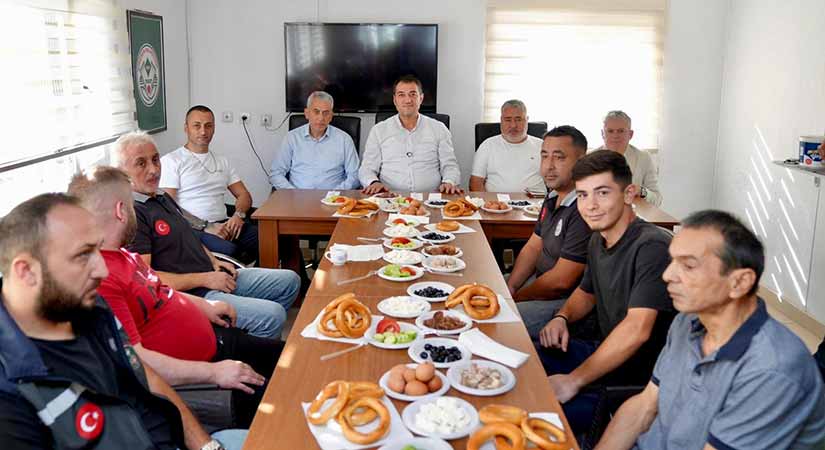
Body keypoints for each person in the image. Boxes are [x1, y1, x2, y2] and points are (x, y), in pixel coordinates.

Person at [0, 193, 245, 450]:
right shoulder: (10, 398)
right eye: (83, 255)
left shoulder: (91, 307)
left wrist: (206, 445)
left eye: (98, 250)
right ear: (26, 271)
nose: (102, 270)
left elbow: (143, 373)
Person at [68, 166, 283, 428]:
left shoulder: (126, 255)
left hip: (219, 340)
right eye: (132, 204)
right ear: (121, 211)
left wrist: (205, 305)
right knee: (287, 401)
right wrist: (214, 372)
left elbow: (161, 291)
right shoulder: (101, 280)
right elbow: (136, 361)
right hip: (203, 376)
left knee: (295, 362)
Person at [596, 210, 825, 450]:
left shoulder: (773, 368)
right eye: (672, 261)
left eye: (688, 266)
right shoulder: (686, 322)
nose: (667, 275)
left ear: (739, 282)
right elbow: (644, 407)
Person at [536, 150, 675, 434]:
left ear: (629, 194)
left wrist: (574, 380)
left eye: (602, 193)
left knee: (533, 407)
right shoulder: (598, 239)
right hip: (604, 354)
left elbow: (637, 330)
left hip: (637, 384)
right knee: (523, 358)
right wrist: (562, 317)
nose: (590, 205)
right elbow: (587, 293)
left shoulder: (652, 247)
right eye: (583, 195)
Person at [113, 131, 300, 339]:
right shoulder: (133, 214)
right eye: (141, 163)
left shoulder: (161, 197)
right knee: (273, 316)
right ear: (121, 172)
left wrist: (214, 261)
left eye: (155, 159)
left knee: (290, 281)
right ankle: (234, 344)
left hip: (212, 274)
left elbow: (188, 234)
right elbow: (147, 281)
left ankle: (241, 338)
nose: (154, 169)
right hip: (195, 293)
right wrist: (206, 279)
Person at [507, 126, 591, 339]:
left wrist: (516, 297)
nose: (549, 166)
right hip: (539, 282)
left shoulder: (585, 208)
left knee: (498, 321)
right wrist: (511, 286)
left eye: (559, 157)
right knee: (485, 285)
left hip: (564, 303)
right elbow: (533, 247)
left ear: (581, 162)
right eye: (544, 156)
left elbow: (560, 282)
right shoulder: (553, 196)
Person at [160, 105, 258, 262]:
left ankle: (265, 275)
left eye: (208, 126)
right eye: (197, 126)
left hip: (226, 224)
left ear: (214, 129)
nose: (203, 131)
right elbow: (167, 206)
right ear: (186, 128)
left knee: (273, 238)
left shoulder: (222, 161)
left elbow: (244, 195)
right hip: (193, 229)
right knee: (230, 250)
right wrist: (206, 226)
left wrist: (238, 215)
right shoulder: (172, 161)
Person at [360, 75, 462, 194]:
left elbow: (450, 166)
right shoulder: (379, 130)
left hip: (431, 197)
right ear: (395, 100)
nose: (408, 100)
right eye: (401, 95)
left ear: (421, 98)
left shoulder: (439, 128)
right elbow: (367, 169)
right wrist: (373, 182)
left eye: (413, 94)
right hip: (389, 197)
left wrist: (449, 181)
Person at [270, 91, 361, 190]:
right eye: (316, 112)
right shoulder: (292, 138)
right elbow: (276, 173)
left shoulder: (344, 140)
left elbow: (355, 175)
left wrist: (335, 194)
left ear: (331, 116)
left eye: (326, 113)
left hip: (333, 197)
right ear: (307, 113)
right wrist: (292, 193)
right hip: (297, 196)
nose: (321, 118)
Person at [470, 99, 545, 194]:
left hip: (535, 202)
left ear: (527, 120)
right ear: (501, 120)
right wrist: (488, 202)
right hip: (496, 202)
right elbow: (476, 182)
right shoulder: (487, 145)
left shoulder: (543, 146)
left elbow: (556, 179)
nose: (513, 125)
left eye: (518, 119)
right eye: (508, 120)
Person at [597, 110, 662, 206]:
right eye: (610, 131)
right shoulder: (589, 159)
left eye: (621, 131)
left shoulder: (643, 158)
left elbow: (657, 199)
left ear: (630, 134)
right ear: (602, 134)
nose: (615, 135)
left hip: (633, 213)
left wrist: (641, 191)